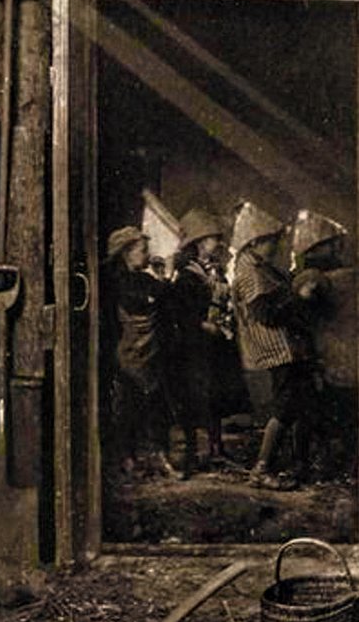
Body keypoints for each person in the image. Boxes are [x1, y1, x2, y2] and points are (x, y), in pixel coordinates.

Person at [230, 200, 316, 490]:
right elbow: (266, 315)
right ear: (255, 242)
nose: (275, 247)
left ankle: (297, 463)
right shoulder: (250, 273)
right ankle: (261, 468)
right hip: (279, 349)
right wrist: (299, 297)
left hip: (289, 347)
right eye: (271, 242)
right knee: (285, 406)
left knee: (300, 403)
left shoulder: (259, 267)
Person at [104, 225, 179, 479]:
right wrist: (160, 287)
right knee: (129, 407)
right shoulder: (118, 282)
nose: (147, 255)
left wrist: (161, 281)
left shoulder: (144, 279)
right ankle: (128, 459)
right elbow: (140, 304)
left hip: (151, 352)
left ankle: (159, 455)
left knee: (156, 406)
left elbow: (164, 296)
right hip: (129, 353)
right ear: (126, 252)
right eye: (142, 250)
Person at [168, 208, 234, 476]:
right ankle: (192, 454)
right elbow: (183, 315)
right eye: (213, 239)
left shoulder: (216, 272)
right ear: (200, 242)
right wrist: (206, 326)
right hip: (193, 346)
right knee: (194, 397)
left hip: (215, 344)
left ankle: (217, 448)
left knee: (216, 396)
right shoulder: (186, 276)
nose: (218, 243)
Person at [290, 209, 355, 481]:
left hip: (332, 354)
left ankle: (325, 461)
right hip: (328, 355)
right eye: (333, 244)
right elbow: (305, 291)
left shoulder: (327, 276)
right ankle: (328, 461)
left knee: (332, 411)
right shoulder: (319, 276)